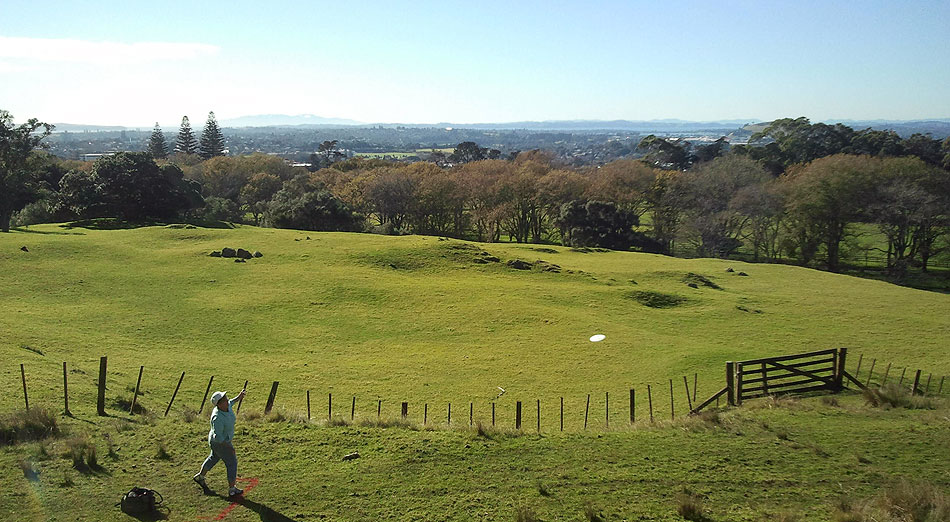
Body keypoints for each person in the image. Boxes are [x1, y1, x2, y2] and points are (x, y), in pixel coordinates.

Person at [193, 387, 246, 497]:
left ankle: (200, 477)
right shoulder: (217, 417)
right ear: (219, 404)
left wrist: (239, 397)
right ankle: (232, 489)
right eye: (224, 399)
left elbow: (232, 402)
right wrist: (229, 448)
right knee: (232, 463)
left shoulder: (227, 406)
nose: (227, 400)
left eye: (226, 398)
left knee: (214, 458)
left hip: (217, 442)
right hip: (219, 443)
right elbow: (218, 437)